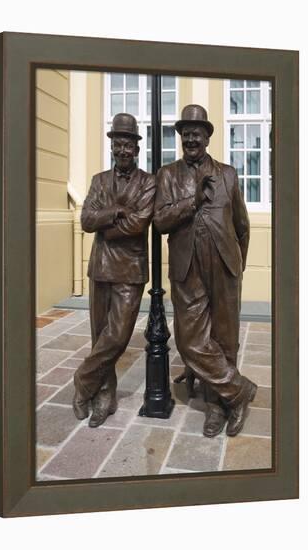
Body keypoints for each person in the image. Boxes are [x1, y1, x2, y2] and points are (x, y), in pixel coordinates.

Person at [154, 104, 257, 437]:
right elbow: (160, 222)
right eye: (185, 133)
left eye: (196, 132)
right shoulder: (168, 175)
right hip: (188, 268)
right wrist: (193, 201)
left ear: (208, 136)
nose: (190, 138)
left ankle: (218, 405)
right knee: (190, 339)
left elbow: (242, 225)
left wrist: (237, 264)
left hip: (225, 266)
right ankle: (240, 391)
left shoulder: (228, 174)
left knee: (225, 339)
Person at [73, 113, 156, 427]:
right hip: (101, 268)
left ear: (137, 148)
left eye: (128, 145)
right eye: (118, 144)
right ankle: (103, 394)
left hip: (130, 270)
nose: (122, 150)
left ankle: (83, 380)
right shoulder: (99, 180)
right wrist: (116, 211)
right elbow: (86, 220)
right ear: (113, 146)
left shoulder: (149, 182)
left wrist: (105, 225)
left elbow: (139, 225)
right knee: (100, 337)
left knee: (118, 336)